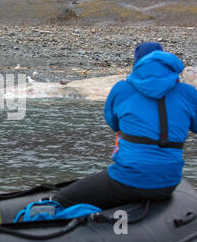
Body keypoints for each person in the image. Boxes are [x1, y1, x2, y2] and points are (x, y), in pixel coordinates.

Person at [52, 42, 197, 210]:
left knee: (61, 200)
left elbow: (114, 123)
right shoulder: (188, 93)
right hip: (168, 182)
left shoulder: (122, 89)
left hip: (127, 179)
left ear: (138, 64)